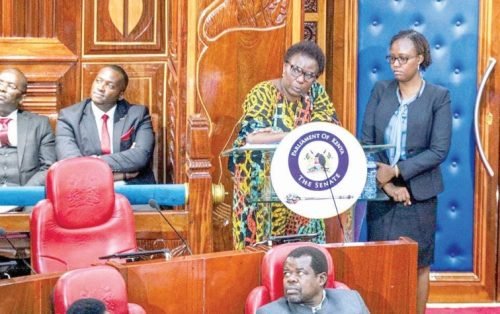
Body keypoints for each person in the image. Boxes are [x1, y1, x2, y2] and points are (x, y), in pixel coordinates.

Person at [361, 29, 452, 314]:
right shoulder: (380, 90)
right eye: (392, 58)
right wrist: (388, 184)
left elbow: (438, 151)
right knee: (381, 259)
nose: (395, 64)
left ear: (420, 59)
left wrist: (398, 171)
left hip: (419, 195)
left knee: (418, 263)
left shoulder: (439, 97)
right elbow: (367, 143)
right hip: (381, 193)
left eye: (403, 58)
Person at [229, 41, 340, 249]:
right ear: (284, 67)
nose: (300, 79)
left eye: (309, 75)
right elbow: (253, 137)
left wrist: (280, 135)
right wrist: (300, 134)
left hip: (302, 191)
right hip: (260, 193)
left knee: (304, 260)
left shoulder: (316, 93)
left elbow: (326, 133)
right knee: (260, 260)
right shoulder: (263, 93)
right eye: (295, 70)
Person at [56, 65, 155, 184]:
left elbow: (140, 157)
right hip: (88, 187)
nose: (100, 88)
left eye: (110, 85)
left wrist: (93, 161)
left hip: (132, 187)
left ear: (120, 95)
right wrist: (123, 174)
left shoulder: (137, 114)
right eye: (98, 81)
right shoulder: (69, 117)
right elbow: (71, 165)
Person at [257, 246, 369, 314]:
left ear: (321, 279)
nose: (290, 279)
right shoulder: (269, 312)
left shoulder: (351, 302)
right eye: (287, 273)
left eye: (300, 273)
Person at [0, 68, 55, 194]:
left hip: (26, 199)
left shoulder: (39, 124)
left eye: (11, 86)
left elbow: (48, 167)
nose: (2, 89)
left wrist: (24, 195)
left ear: (22, 98)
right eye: (0, 83)